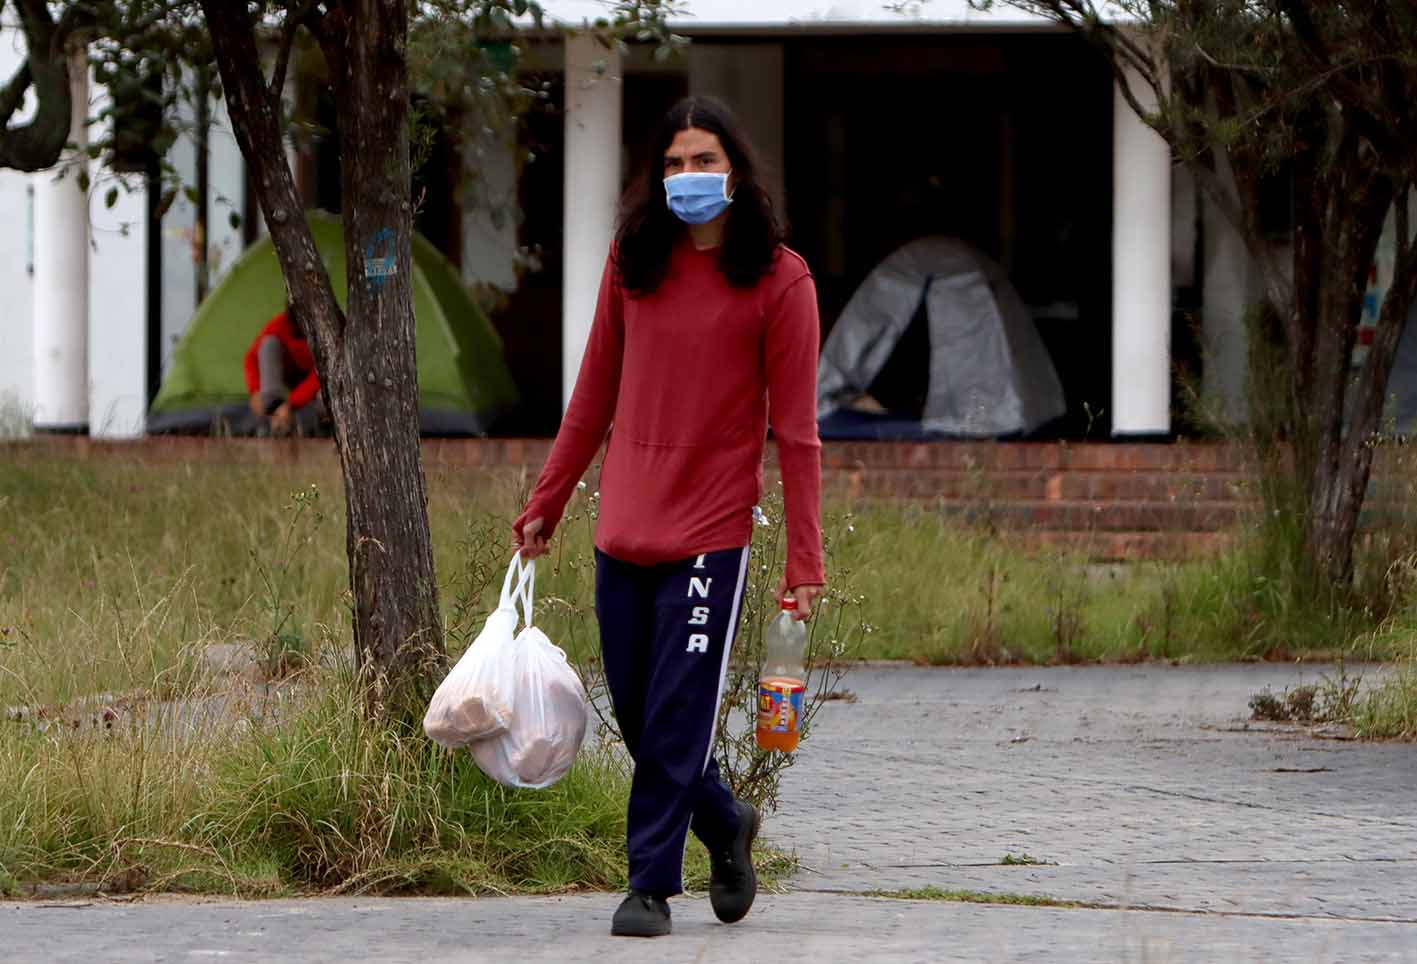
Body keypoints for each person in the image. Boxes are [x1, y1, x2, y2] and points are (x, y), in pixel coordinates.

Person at [513, 96, 825, 938]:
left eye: (705, 161)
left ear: (737, 171)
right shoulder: (632, 263)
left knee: (679, 710)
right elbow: (592, 398)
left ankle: (647, 885)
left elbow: (796, 435)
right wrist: (546, 502)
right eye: (675, 163)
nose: (689, 177)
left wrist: (805, 562)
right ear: (656, 177)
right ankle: (725, 823)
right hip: (624, 527)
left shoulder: (780, 280)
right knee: (640, 712)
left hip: (711, 536)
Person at [243, 304, 319, 435]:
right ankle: (272, 410)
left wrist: (291, 403)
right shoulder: (281, 324)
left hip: (317, 386)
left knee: (323, 398)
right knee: (268, 344)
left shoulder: (323, 329)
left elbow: (319, 376)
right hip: (290, 378)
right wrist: (254, 390)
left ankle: (314, 424)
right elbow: (251, 358)